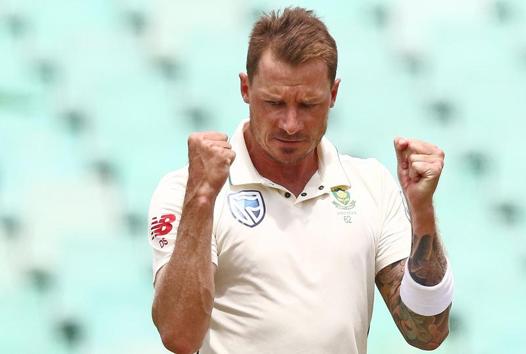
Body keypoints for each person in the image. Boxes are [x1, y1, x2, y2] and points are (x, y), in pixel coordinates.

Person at [148, 7, 453, 354]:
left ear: (333, 94)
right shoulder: (185, 190)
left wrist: (423, 211)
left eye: (308, 104)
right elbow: (178, 336)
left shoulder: (370, 184)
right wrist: (202, 200)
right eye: (274, 102)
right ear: (245, 89)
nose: (290, 124)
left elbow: (427, 333)